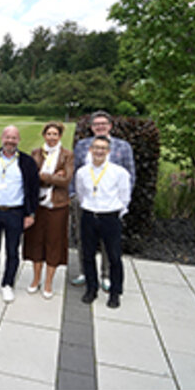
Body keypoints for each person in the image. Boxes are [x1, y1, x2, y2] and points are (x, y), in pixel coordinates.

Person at [70, 110, 136, 289]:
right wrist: (73, 196)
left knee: (108, 243)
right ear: (91, 127)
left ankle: (106, 275)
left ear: (110, 126)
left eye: (103, 124)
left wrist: (122, 204)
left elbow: (130, 175)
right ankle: (85, 272)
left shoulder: (123, 146)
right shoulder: (82, 145)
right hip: (85, 202)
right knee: (83, 239)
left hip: (110, 204)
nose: (100, 127)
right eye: (96, 124)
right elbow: (75, 171)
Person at [0, 125, 40, 303]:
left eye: (14, 138)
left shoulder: (26, 162)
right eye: (7, 137)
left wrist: (31, 214)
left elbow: (33, 190)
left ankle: (8, 284)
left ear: (18, 140)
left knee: (12, 250)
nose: (10, 141)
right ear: (2, 138)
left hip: (15, 213)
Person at [75, 136, 131, 308]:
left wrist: (114, 213)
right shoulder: (82, 172)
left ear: (108, 151)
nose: (99, 151)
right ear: (90, 150)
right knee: (88, 255)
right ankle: (91, 289)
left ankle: (115, 293)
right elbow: (81, 194)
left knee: (114, 256)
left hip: (110, 218)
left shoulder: (119, 172)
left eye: (103, 148)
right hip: (89, 216)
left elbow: (124, 197)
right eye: (96, 147)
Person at [23, 122, 74, 298]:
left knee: (54, 243)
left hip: (57, 205)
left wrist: (44, 176)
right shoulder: (36, 153)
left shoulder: (67, 155)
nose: (52, 137)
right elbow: (30, 178)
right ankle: (36, 279)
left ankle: (48, 282)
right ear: (44, 135)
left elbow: (66, 180)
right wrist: (54, 176)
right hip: (37, 205)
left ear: (60, 136)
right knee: (36, 242)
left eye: (55, 134)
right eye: (49, 134)